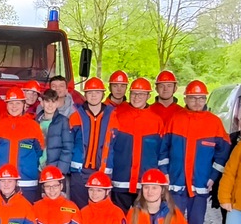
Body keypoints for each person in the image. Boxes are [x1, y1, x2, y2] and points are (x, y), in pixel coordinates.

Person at [160, 80, 231, 224]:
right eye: (193, 98)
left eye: (201, 98)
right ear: (186, 98)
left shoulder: (214, 123)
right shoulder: (175, 119)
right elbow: (163, 149)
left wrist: (213, 177)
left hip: (199, 186)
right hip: (176, 183)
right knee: (172, 223)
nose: (197, 102)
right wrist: (165, 171)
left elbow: (222, 154)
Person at [106, 77, 162, 210]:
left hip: (145, 184)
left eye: (141, 94)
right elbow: (108, 149)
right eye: (134, 93)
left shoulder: (157, 121)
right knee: (121, 222)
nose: (137, 97)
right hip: (120, 181)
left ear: (148, 96)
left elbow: (162, 153)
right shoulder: (117, 116)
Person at [68, 78, 121, 207]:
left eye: (97, 92)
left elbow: (116, 145)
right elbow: (69, 144)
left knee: (101, 209)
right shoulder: (76, 116)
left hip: (102, 171)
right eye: (90, 92)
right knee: (79, 209)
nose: (93, 95)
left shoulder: (113, 116)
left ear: (103, 94)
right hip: (80, 172)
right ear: (85, 95)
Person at [0, 88, 45, 202]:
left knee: (26, 215)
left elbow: (39, 150)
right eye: (11, 103)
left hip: (26, 181)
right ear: (6, 105)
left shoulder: (33, 126)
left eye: (18, 103)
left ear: (24, 104)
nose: (14, 106)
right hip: (3, 181)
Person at [33, 89, 78, 179]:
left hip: (55, 170)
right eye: (47, 101)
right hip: (37, 169)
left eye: (53, 102)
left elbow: (68, 148)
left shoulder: (63, 121)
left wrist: (60, 171)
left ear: (57, 103)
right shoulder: (35, 122)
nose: (50, 105)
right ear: (42, 103)